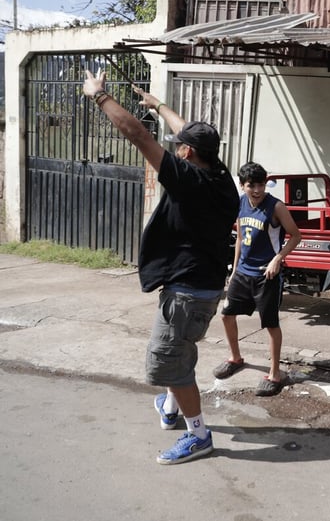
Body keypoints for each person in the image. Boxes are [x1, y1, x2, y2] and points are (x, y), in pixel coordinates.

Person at [82, 71, 239, 465]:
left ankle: (198, 435)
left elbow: (138, 136)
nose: (176, 147)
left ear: (186, 154)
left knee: (167, 361)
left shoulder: (188, 180)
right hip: (201, 287)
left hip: (187, 291)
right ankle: (171, 407)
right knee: (180, 350)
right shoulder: (220, 176)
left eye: (179, 148)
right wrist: (158, 105)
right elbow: (185, 130)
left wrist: (99, 96)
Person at [212, 162, 302, 396]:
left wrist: (278, 259)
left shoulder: (276, 207)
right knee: (226, 314)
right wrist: (233, 272)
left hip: (266, 275)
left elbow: (296, 236)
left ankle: (275, 373)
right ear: (242, 185)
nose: (257, 190)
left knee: (271, 324)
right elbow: (240, 238)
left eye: (261, 184)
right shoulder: (240, 203)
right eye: (252, 185)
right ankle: (235, 357)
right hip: (243, 273)